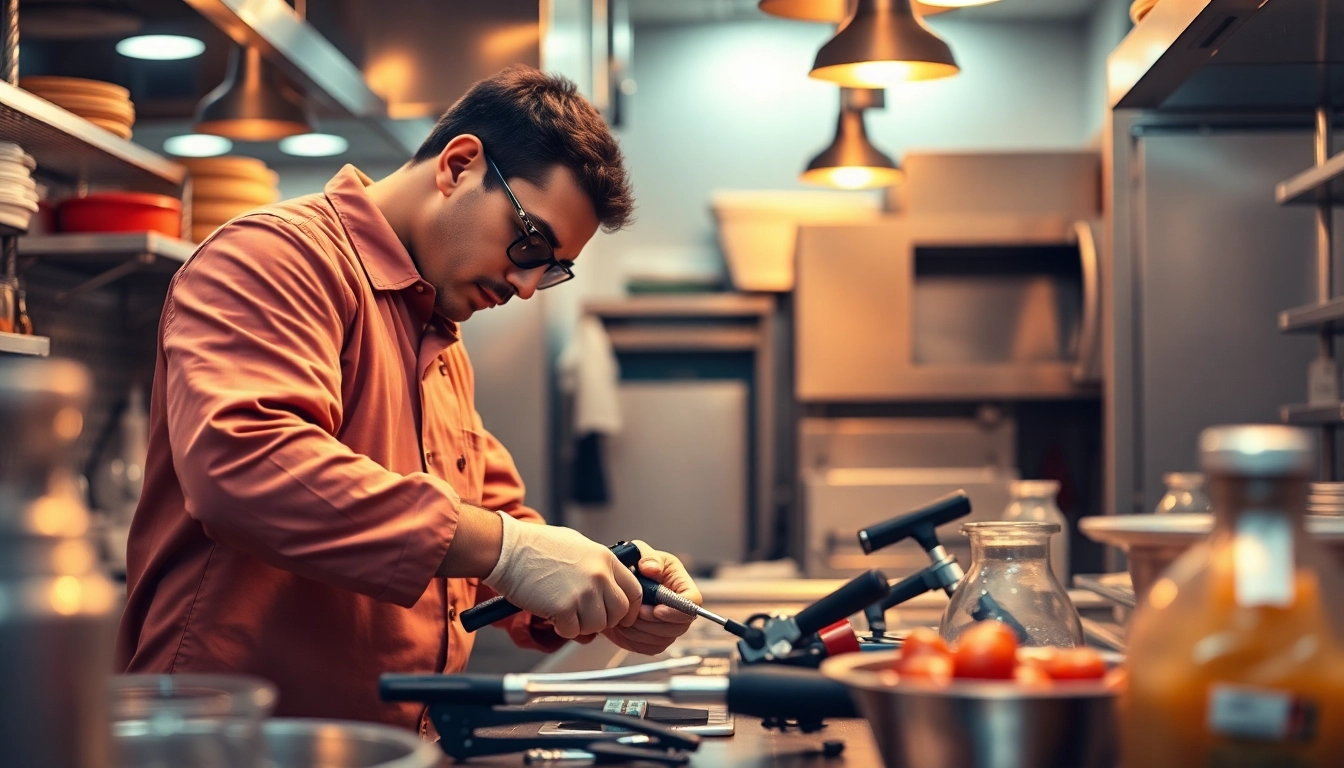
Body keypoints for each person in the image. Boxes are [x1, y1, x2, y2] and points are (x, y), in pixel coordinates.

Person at [114, 65, 701, 733]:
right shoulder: (274, 259)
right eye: (530, 242)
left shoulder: (440, 337)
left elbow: (489, 525)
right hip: (232, 741)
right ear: (459, 164)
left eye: (552, 267)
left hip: (382, 743)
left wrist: (609, 589)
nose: (529, 284)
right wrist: (508, 549)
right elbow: (244, 467)